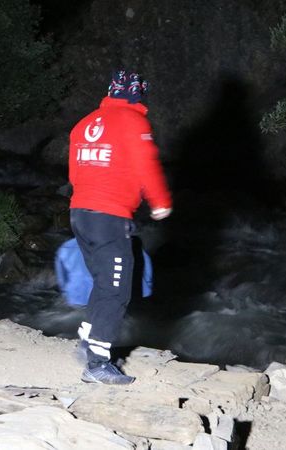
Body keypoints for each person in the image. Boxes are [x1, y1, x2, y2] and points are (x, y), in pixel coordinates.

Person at [68, 70, 172, 384]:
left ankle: (87, 340)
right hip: (109, 217)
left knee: (102, 281)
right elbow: (146, 164)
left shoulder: (83, 123)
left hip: (79, 213)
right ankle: (97, 365)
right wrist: (159, 201)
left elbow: (75, 173)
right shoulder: (134, 122)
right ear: (137, 93)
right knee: (116, 289)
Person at [55, 237, 153, 308]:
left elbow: (62, 278)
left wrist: (66, 292)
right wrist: (146, 289)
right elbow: (146, 269)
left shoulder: (67, 247)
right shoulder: (127, 244)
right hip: (111, 297)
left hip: (78, 297)